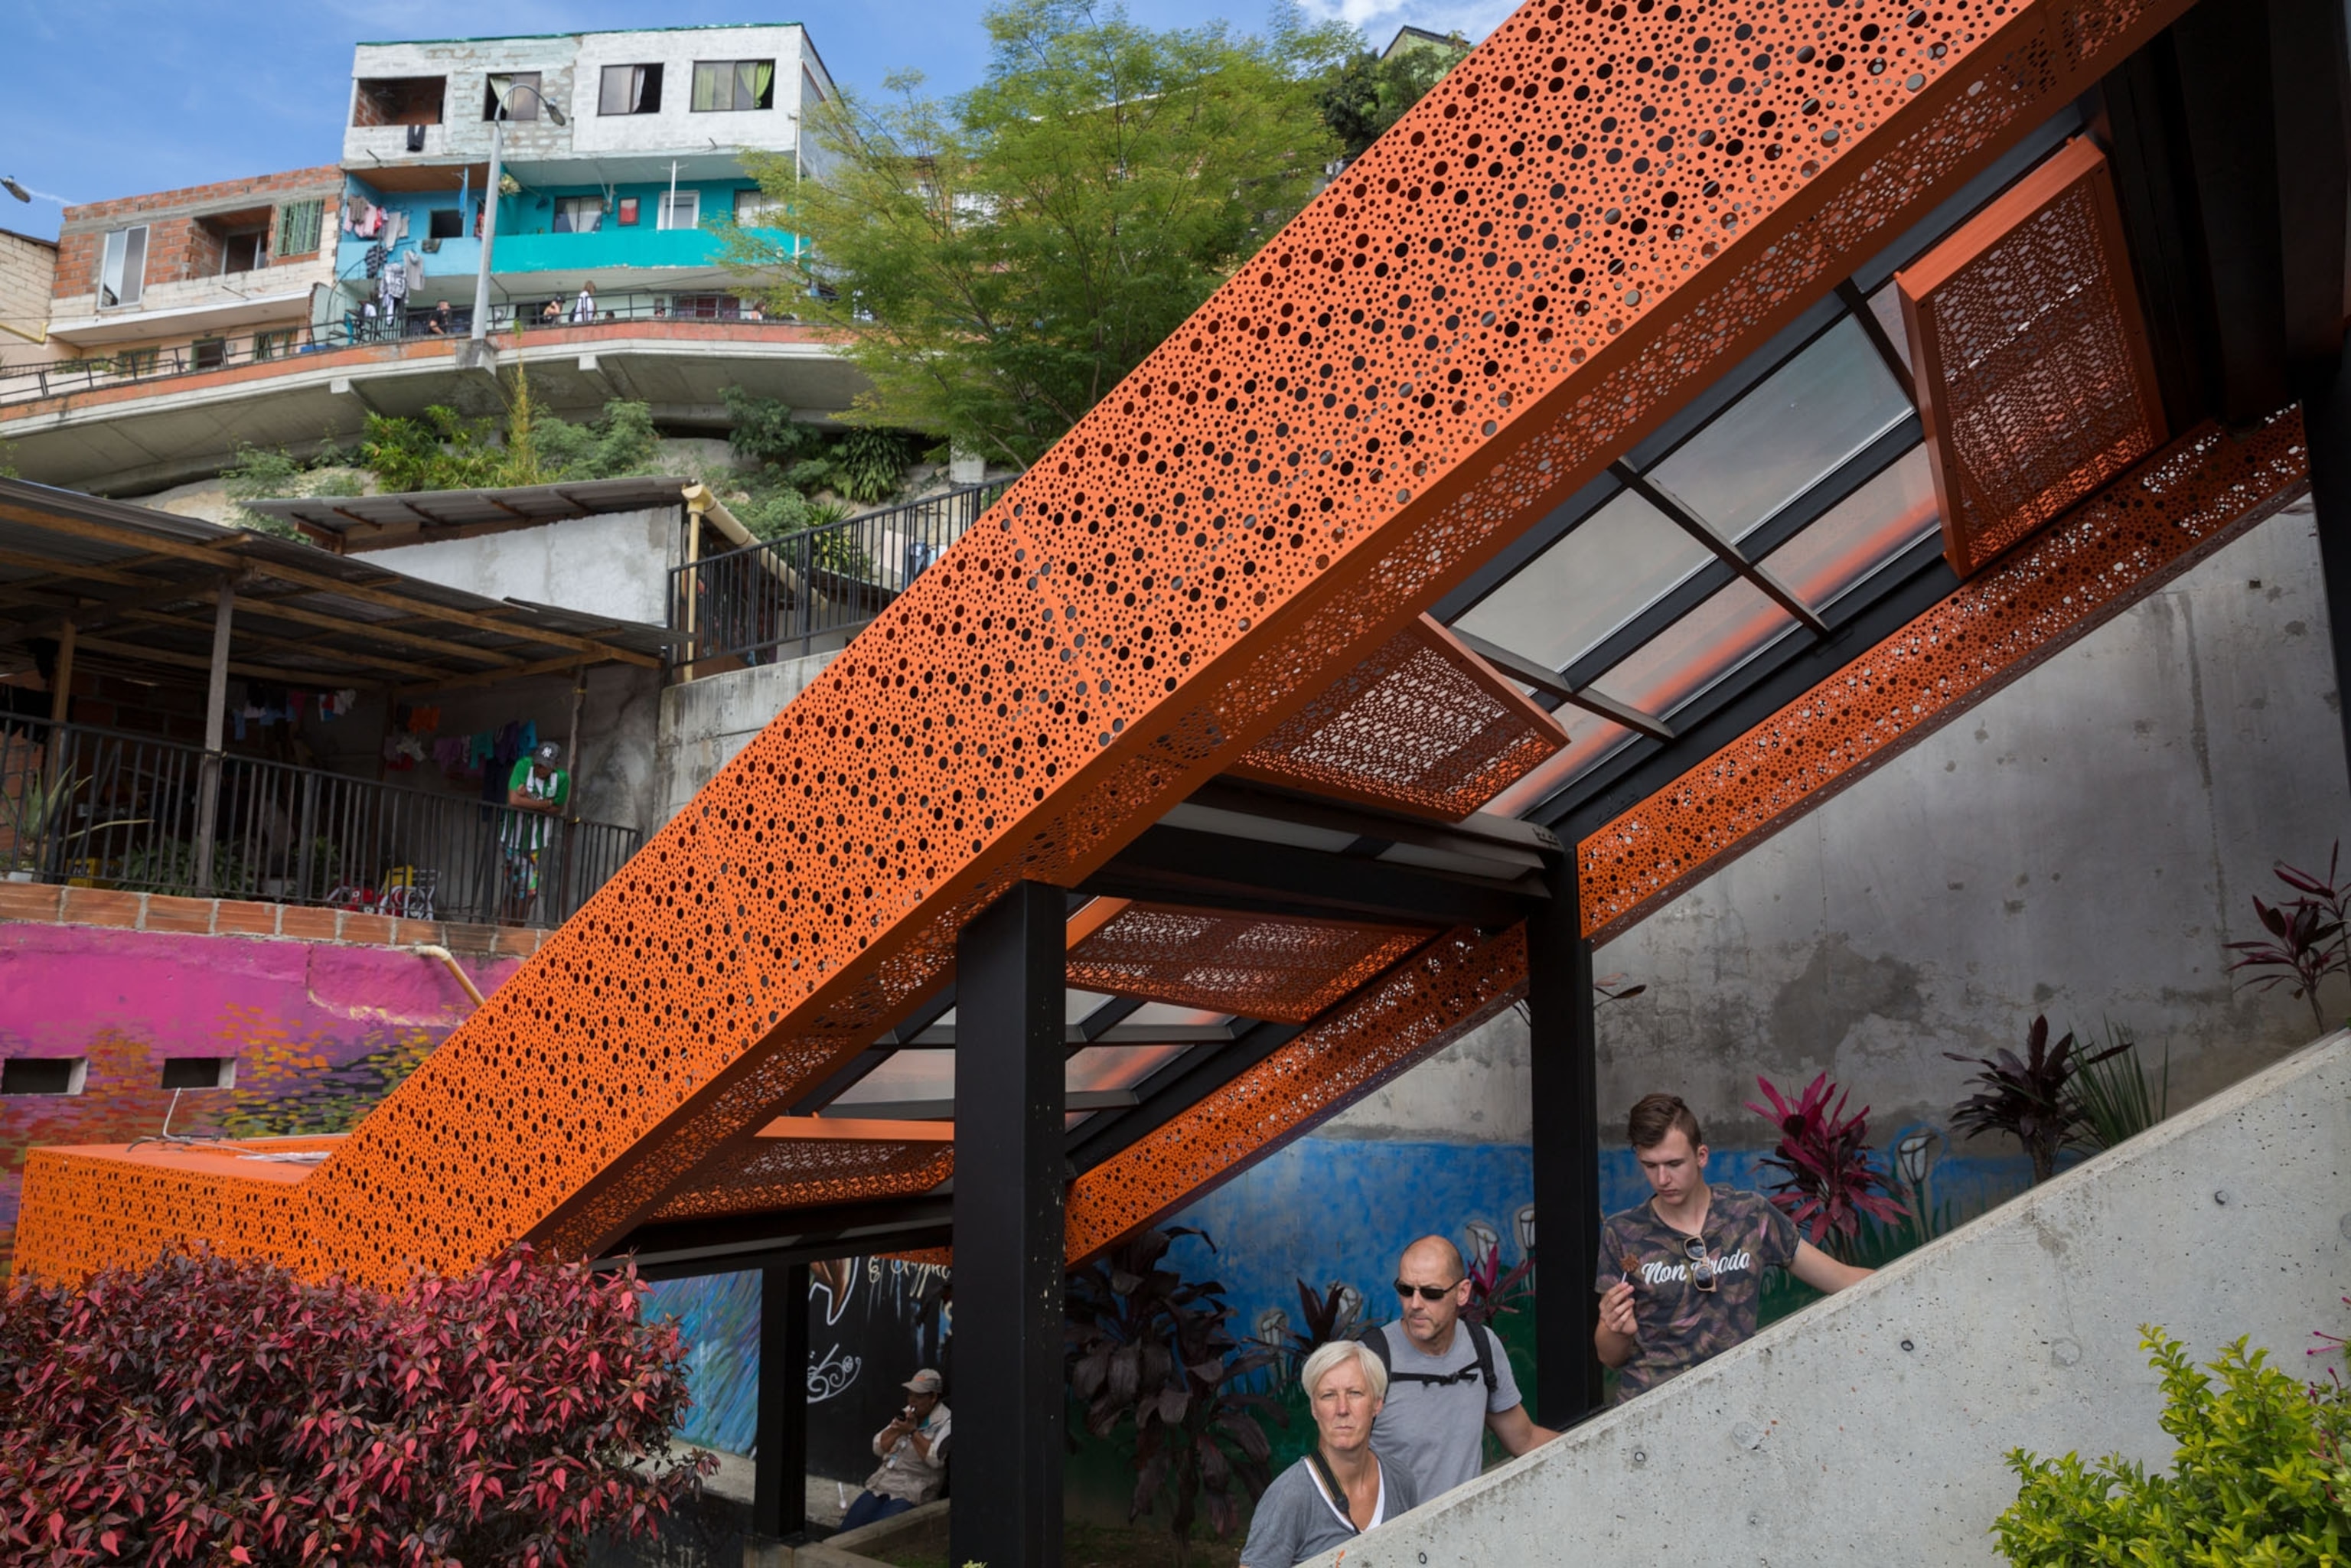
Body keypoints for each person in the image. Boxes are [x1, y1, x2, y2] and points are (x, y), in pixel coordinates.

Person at [1594, 1093, 1875, 1402]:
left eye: (1674, 1164)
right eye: (1650, 1165)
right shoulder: (1622, 1232)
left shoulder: (1749, 1214)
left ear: (1701, 1156)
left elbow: (1840, 1278)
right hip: (1651, 1403)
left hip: (1734, 1398)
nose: (1662, 1179)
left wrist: (1916, 1281)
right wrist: (1617, 1329)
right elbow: (1609, 1357)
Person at [1366, 1235, 1557, 1499]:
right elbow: (1335, 1470)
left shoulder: (1482, 1346)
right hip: (1397, 1525)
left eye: (1431, 1293)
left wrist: (1597, 1451)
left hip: (1465, 1521)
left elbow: (1524, 1440)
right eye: (1406, 1290)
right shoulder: (1369, 1359)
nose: (1415, 1304)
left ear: (1463, 1293)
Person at [1241, 1340, 1417, 1567]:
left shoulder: (1399, 1480)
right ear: (1314, 1408)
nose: (1342, 1409)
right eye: (1328, 1395)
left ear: (1377, 1403)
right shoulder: (1290, 1496)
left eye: (1355, 1393)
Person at [838, 1368, 950, 1534]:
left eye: (919, 1397)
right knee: (848, 1530)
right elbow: (878, 1447)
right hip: (884, 1482)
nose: (912, 1401)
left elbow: (935, 1459)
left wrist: (913, 1432)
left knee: (878, 1532)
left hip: (914, 1489)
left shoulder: (946, 1421)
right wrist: (897, 1429)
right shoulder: (907, 1412)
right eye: (910, 1395)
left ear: (933, 1397)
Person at [500, 740, 569, 923]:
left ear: (555, 766)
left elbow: (557, 809)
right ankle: (511, 930)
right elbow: (514, 800)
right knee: (524, 890)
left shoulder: (562, 779)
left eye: (544, 766)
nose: (539, 768)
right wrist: (545, 803)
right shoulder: (524, 765)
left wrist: (529, 799)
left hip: (536, 844)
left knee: (523, 891)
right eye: (537, 764)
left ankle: (509, 929)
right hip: (513, 840)